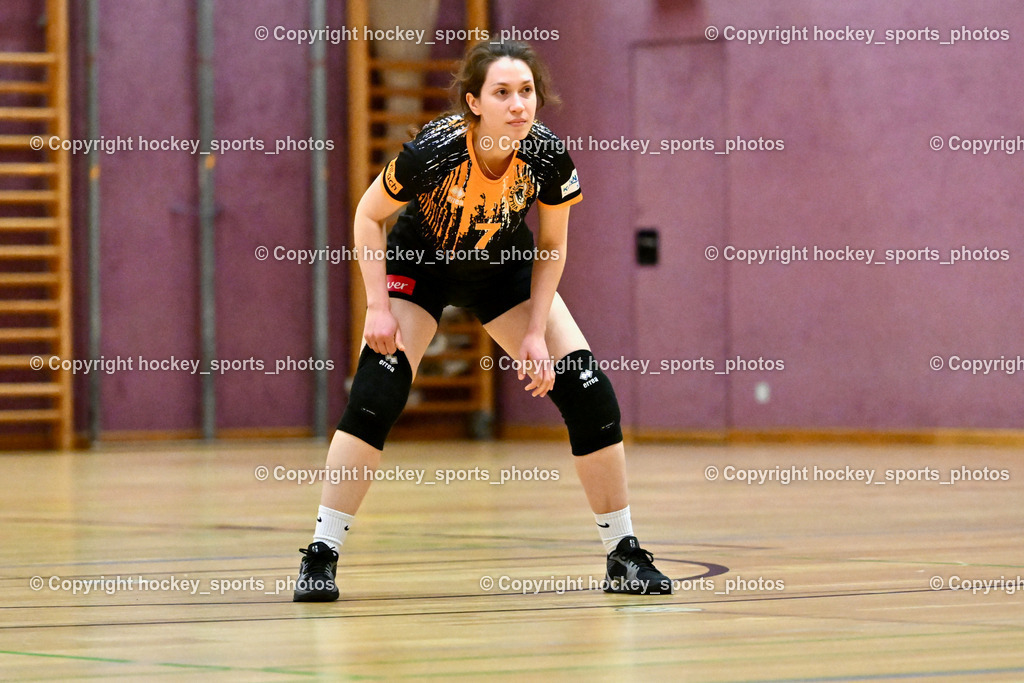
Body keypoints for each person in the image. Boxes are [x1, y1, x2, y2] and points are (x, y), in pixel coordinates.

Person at [293, 40, 671, 601]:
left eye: (527, 92)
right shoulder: (437, 151)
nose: (519, 105)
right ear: (474, 102)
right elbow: (367, 217)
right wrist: (377, 306)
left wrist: (537, 332)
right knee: (377, 392)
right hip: (421, 266)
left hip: (502, 269)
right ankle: (321, 555)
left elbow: (551, 245)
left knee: (588, 389)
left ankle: (623, 553)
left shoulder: (546, 156)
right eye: (502, 93)